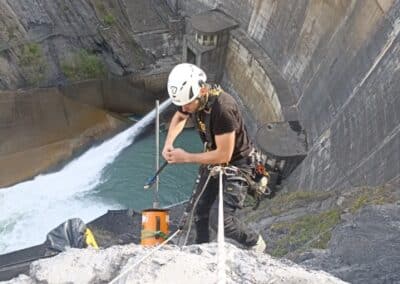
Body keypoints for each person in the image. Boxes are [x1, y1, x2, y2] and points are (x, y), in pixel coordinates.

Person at [162, 63, 266, 253]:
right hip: (214, 159)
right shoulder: (194, 99)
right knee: (198, 211)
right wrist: (168, 143)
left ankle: (254, 242)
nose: (185, 107)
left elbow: (223, 155)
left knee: (221, 220)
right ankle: (201, 250)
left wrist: (185, 157)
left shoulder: (223, 109)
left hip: (238, 164)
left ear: (202, 90)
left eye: (188, 102)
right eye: (182, 103)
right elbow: (180, 116)